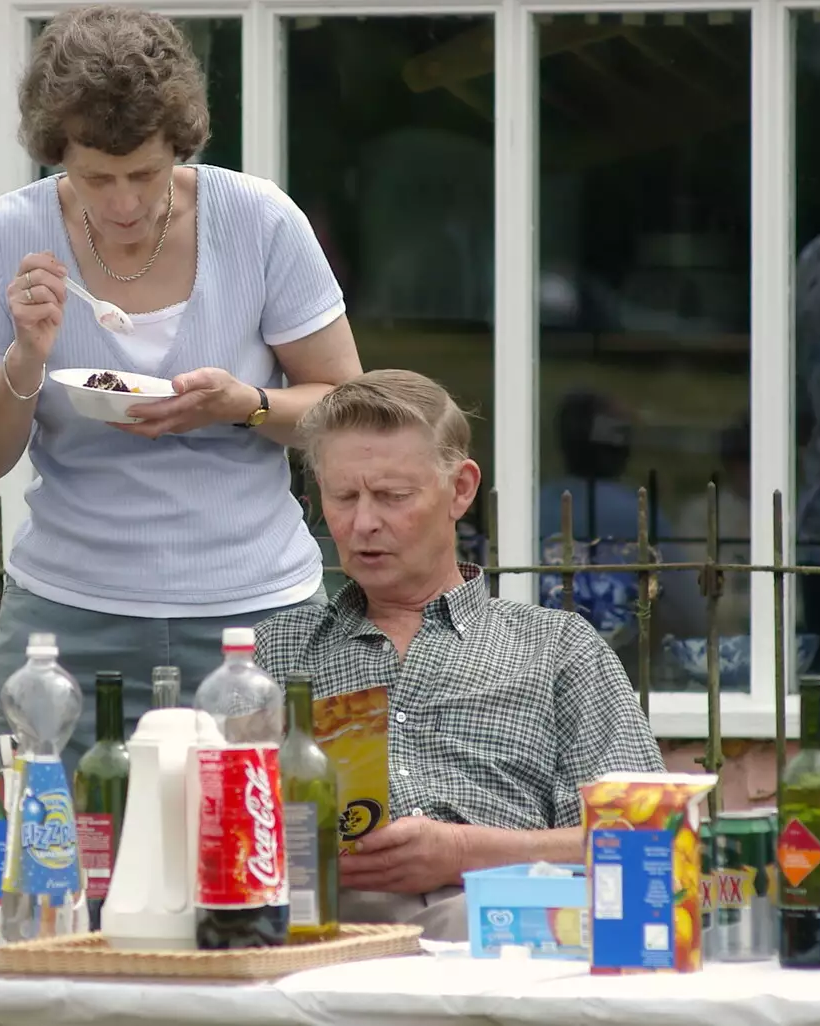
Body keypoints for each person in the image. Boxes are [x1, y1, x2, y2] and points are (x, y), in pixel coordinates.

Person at [0, 5, 362, 767]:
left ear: (182, 141)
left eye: (144, 173)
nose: (124, 204)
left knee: (263, 870)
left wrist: (248, 406)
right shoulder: (8, 233)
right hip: (68, 624)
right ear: (54, 155)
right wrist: (25, 360)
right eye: (93, 177)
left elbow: (348, 414)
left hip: (257, 614)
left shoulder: (259, 220)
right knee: (63, 871)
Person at [254, 369, 664, 940]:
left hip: (503, 926)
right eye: (343, 497)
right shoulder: (278, 650)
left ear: (461, 490)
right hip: (320, 931)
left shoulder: (558, 649)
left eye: (393, 497)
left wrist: (467, 851)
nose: (363, 523)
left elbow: (648, 837)